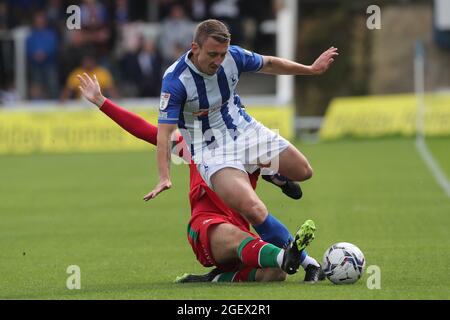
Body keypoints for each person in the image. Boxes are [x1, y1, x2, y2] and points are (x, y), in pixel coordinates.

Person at [77, 73, 325, 282]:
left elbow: (294, 190)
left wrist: (279, 178)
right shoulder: (194, 146)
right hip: (209, 227)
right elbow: (146, 131)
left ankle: (216, 278)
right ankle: (295, 257)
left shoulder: (252, 146)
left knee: (275, 274)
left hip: (242, 231)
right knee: (250, 244)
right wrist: (101, 101)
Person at [144, 19, 338, 256]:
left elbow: (270, 63)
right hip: (211, 149)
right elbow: (164, 133)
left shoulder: (233, 57)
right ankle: (303, 260)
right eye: (212, 54)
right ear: (195, 48)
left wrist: (309, 69)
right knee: (254, 209)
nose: (218, 61)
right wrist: (164, 176)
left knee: (303, 171)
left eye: (222, 54)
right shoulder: (175, 80)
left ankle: (269, 171)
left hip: (244, 130)